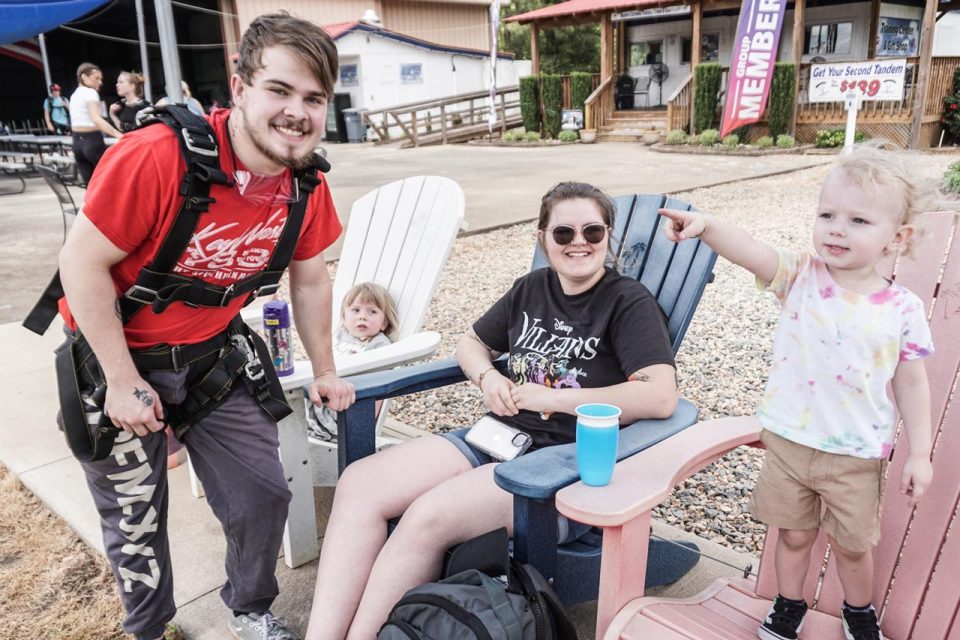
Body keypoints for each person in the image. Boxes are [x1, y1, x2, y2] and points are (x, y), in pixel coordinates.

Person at [56, 13, 352, 640]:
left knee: (263, 493)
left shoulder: (304, 184)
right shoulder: (156, 155)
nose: (297, 111)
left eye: (314, 98)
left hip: (212, 357)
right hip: (117, 357)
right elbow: (80, 264)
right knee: (137, 520)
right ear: (240, 86)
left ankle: (249, 609)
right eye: (280, 89)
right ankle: (149, 629)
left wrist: (324, 368)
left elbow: (311, 276)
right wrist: (120, 380)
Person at [305, 181, 680, 639]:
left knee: (427, 517)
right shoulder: (531, 289)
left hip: (559, 464)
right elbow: (471, 343)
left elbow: (660, 395)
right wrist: (488, 377)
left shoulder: (627, 302)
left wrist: (556, 399)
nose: (578, 242)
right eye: (563, 233)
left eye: (592, 232)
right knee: (359, 485)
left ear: (607, 237)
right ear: (543, 238)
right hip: (494, 437)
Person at [658, 144, 935, 640]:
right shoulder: (800, 277)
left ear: (899, 238)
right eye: (827, 214)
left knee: (853, 547)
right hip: (788, 445)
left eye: (857, 220)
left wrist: (920, 454)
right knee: (793, 535)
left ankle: (858, 612)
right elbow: (751, 250)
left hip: (855, 454)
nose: (836, 227)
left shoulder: (902, 309)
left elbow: (911, 382)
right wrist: (708, 228)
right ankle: (789, 604)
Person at [306, 282, 397, 442]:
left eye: (372, 312)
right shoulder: (338, 335)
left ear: (384, 323)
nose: (363, 316)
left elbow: (377, 384)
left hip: (348, 406)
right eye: (356, 310)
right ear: (343, 318)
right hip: (323, 394)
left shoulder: (380, 345)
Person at [68, 63, 124, 186]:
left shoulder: (74, 95)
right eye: (96, 78)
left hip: (77, 143)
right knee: (111, 182)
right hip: (92, 141)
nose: (100, 82)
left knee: (90, 188)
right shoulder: (90, 93)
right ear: (84, 77)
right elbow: (96, 118)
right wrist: (119, 135)